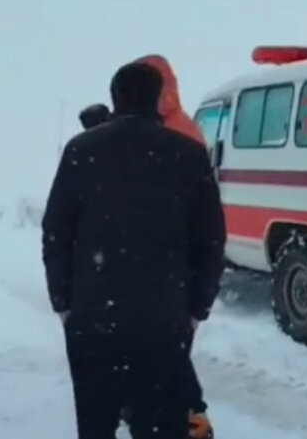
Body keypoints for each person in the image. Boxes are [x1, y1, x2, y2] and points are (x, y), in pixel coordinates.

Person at [43, 62, 226, 439]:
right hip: (163, 321)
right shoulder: (188, 154)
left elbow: (55, 232)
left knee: (95, 426)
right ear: (161, 99)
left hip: (93, 320)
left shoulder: (81, 150)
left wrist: (65, 302)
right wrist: (196, 308)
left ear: (115, 98)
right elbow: (210, 239)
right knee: (159, 425)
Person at [134, 54, 214, 439]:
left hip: (167, 263)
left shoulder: (174, 133)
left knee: (168, 353)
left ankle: (191, 418)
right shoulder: (185, 129)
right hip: (172, 263)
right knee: (168, 350)